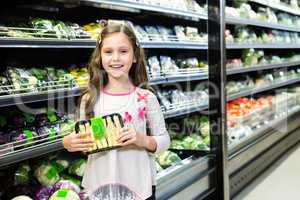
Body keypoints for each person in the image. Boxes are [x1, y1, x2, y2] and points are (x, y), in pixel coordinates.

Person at [62, 21, 170, 200]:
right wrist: (68, 143)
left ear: (134, 56)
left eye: (123, 51)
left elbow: (164, 139)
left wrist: (142, 139)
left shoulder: (145, 98)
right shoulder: (90, 99)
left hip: (138, 188)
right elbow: (84, 141)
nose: (116, 58)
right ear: (100, 57)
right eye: (108, 52)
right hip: (98, 187)